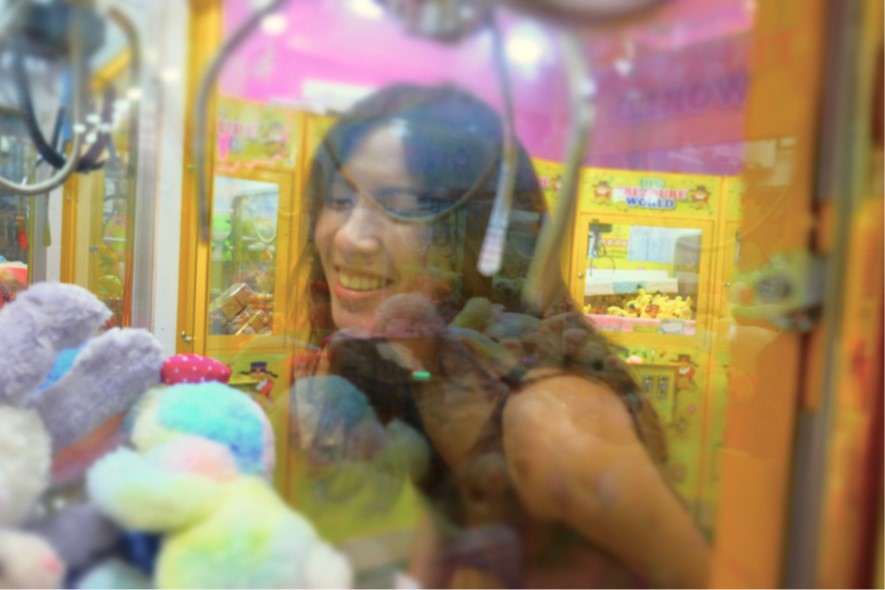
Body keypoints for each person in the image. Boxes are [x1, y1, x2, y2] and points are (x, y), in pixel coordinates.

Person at [288, 83, 710, 588]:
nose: (349, 236)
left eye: (400, 206)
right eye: (338, 199)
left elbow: (703, 577)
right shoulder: (407, 375)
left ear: (480, 236)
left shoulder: (544, 420)